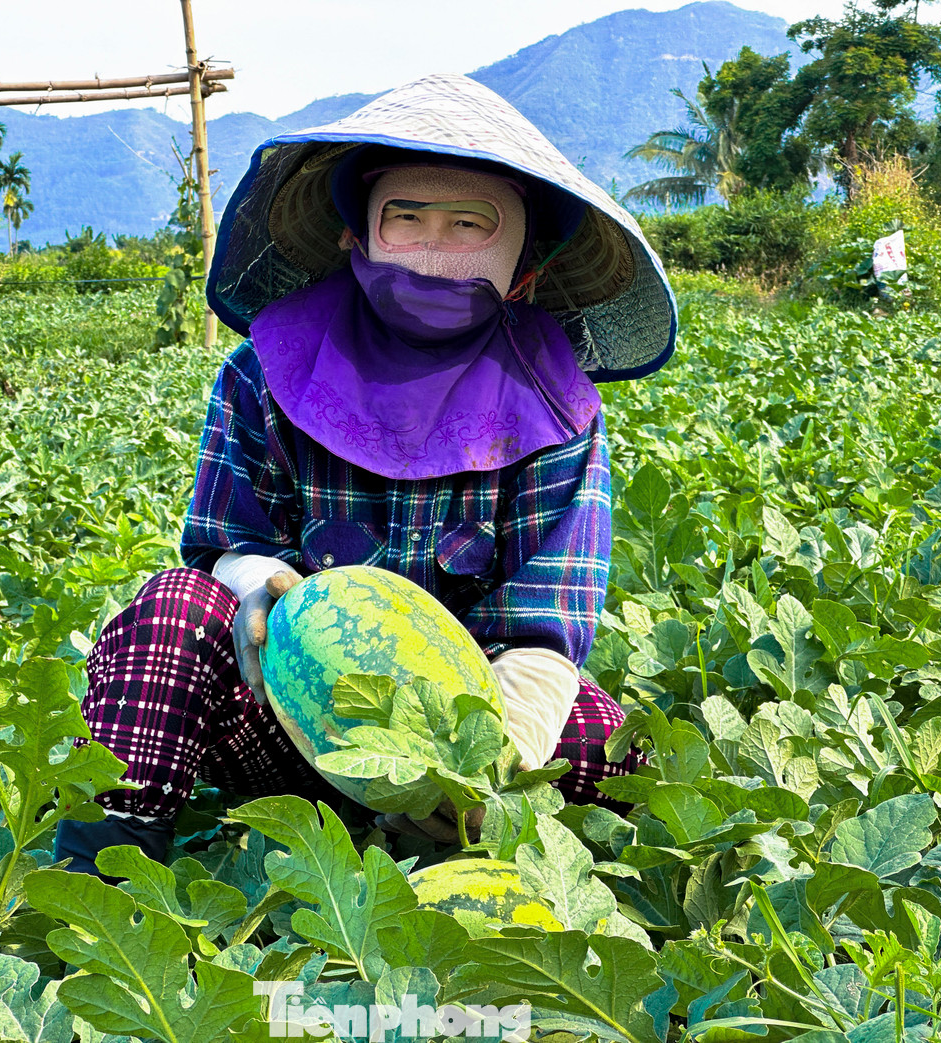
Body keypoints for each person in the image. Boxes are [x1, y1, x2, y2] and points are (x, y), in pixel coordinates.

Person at [54, 73, 677, 874]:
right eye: (405, 218)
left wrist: (481, 781)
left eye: (469, 225)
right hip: (289, 723)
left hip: (456, 746)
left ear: (523, 271)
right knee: (171, 614)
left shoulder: (557, 411)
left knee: (612, 747)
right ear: (358, 238)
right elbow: (223, 544)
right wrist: (254, 583)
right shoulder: (261, 375)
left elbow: (541, 633)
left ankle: (455, 848)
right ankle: (101, 877)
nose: (431, 250)